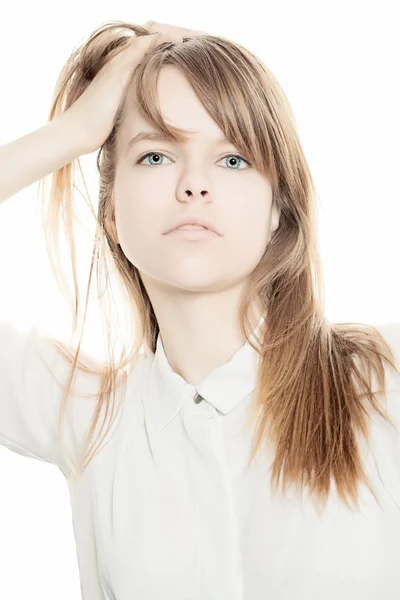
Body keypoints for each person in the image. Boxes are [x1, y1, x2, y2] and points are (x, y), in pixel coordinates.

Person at [1, 19, 400, 600]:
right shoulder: (88, 416)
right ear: (111, 215)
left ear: (276, 213)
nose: (194, 184)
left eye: (233, 159)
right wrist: (75, 131)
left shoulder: (380, 379)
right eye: (156, 156)